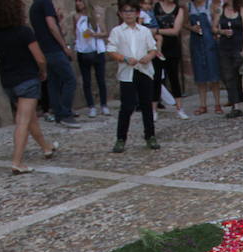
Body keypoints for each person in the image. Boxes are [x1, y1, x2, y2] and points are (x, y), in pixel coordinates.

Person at [0, 0, 58, 174]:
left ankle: (46, 147)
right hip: (27, 80)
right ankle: (17, 162)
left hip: (8, 82)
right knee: (23, 121)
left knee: (30, 118)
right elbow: (39, 58)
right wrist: (43, 71)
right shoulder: (24, 32)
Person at [107, 0, 159, 152]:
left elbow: (152, 49)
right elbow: (111, 50)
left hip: (144, 70)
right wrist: (124, 59)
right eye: (125, 11)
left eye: (131, 11)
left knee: (146, 105)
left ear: (137, 13)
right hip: (127, 72)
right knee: (127, 106)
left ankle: (150, 136)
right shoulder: (117, 31)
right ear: (121, 14)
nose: (128, 14)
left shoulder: (144, 31)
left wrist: (148, 57)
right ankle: (121, 138)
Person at [30, 0, 80, 128]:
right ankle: (65, 114)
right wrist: (64, 47)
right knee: (70, 80)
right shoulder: (45, 3)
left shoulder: (34, 6)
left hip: (45, 50)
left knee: (53, 83)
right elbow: (51, 26)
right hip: (54, 49)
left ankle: (58, 114)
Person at [153, 0, 189, 120]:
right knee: (156, 78)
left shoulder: (179, 10)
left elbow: (175, 31)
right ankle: (153, 110)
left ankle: (179, 108)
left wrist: (157, 31)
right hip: (157, 47)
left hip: (172, 47)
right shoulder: (156, 7)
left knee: (174, 78)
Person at [73, 0, 109, 118]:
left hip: (97, 51)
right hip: (83, 51)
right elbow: (76, 33)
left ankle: (104, 105)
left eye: (80, 1)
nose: (78, 3)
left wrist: (93, 34)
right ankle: (91, 106)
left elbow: (105, 33)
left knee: (100, 79)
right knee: (86, 81)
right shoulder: (76, 17)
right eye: (76, 1)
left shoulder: (96, 16)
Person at [215, 0, 243, 118]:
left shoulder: (242, 11)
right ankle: (236, 105)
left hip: (237, 47)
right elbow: (213, 28)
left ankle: (240, 100)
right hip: (224, 48)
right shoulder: (220, 10)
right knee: (228, 76)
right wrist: (222, 31)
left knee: (236, 74)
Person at [187, 0, 222, 115]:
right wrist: (191, 28)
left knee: (214, 74)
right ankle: (203, 105)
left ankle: (217, 104)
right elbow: (183, 23)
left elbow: (216, 18)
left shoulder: (210, 4)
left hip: (209, 42)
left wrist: (214, 25)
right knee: (200, 75)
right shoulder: (188, 6)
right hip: (196, 43)